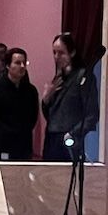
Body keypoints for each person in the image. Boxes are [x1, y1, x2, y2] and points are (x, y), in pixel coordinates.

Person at [40, 32, 99, 162]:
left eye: (61, 53)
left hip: (69, 138)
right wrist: (46, 99)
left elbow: (92, 114)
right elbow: (51, 115)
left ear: (71, 53)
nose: (56, 57)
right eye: (54, 53)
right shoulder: (58, 78)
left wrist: (73, 134)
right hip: (51, 138)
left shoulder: (83, 77)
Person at [0, 47, 40, 161]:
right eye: (18, 63)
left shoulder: (31, 91)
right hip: (0, 146)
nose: (22, 66)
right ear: (8, 65)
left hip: (23, 147)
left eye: (24, 63)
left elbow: (33, 118)